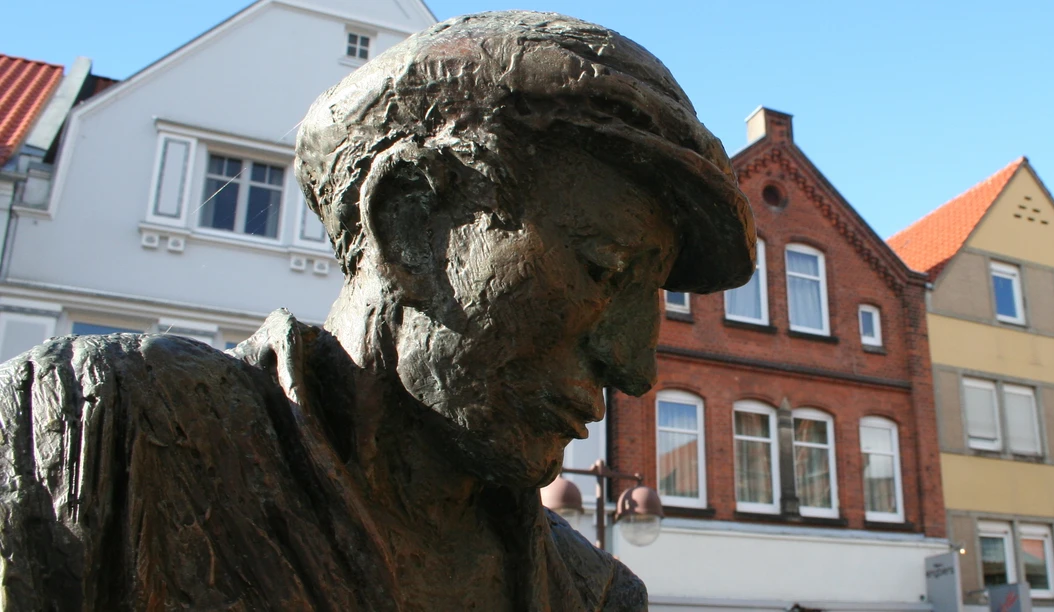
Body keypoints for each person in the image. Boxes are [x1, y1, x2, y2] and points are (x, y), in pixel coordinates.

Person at [0, 11, 754, 611]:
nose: (635, 365)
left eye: (651, 298)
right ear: (410, 222)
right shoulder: (99, 431)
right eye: (604, 269)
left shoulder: (592, 596)